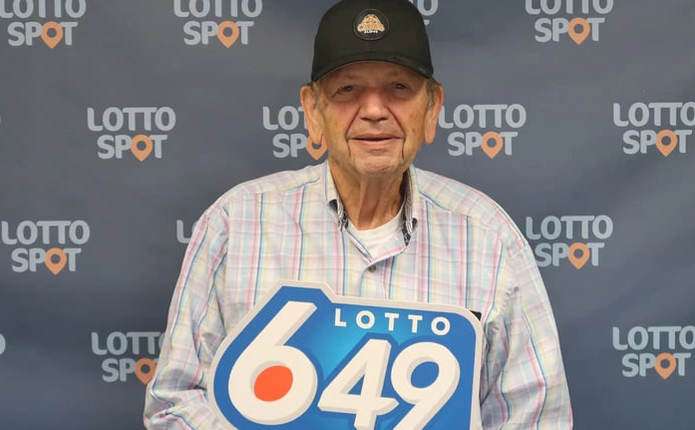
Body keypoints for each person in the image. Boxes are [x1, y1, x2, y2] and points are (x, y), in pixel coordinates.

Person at [143, 0, 573, 428]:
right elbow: (174, 403)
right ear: (313, 112)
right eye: (347, 90)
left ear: (432, 108)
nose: (374, 110)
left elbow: (539, 419)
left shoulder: (489, 239)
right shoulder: (235, 225)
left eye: (399, 88)